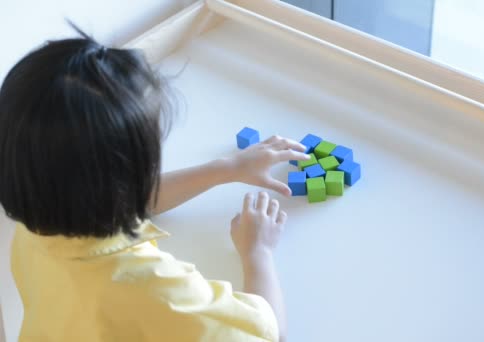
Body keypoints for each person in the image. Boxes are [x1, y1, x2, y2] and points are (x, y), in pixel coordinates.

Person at [0, 28, 310, 342]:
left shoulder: (38, 220)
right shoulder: (155, 291)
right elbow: (269, 332)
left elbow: (133, 198)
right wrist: (257, 252)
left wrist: (226, 168)